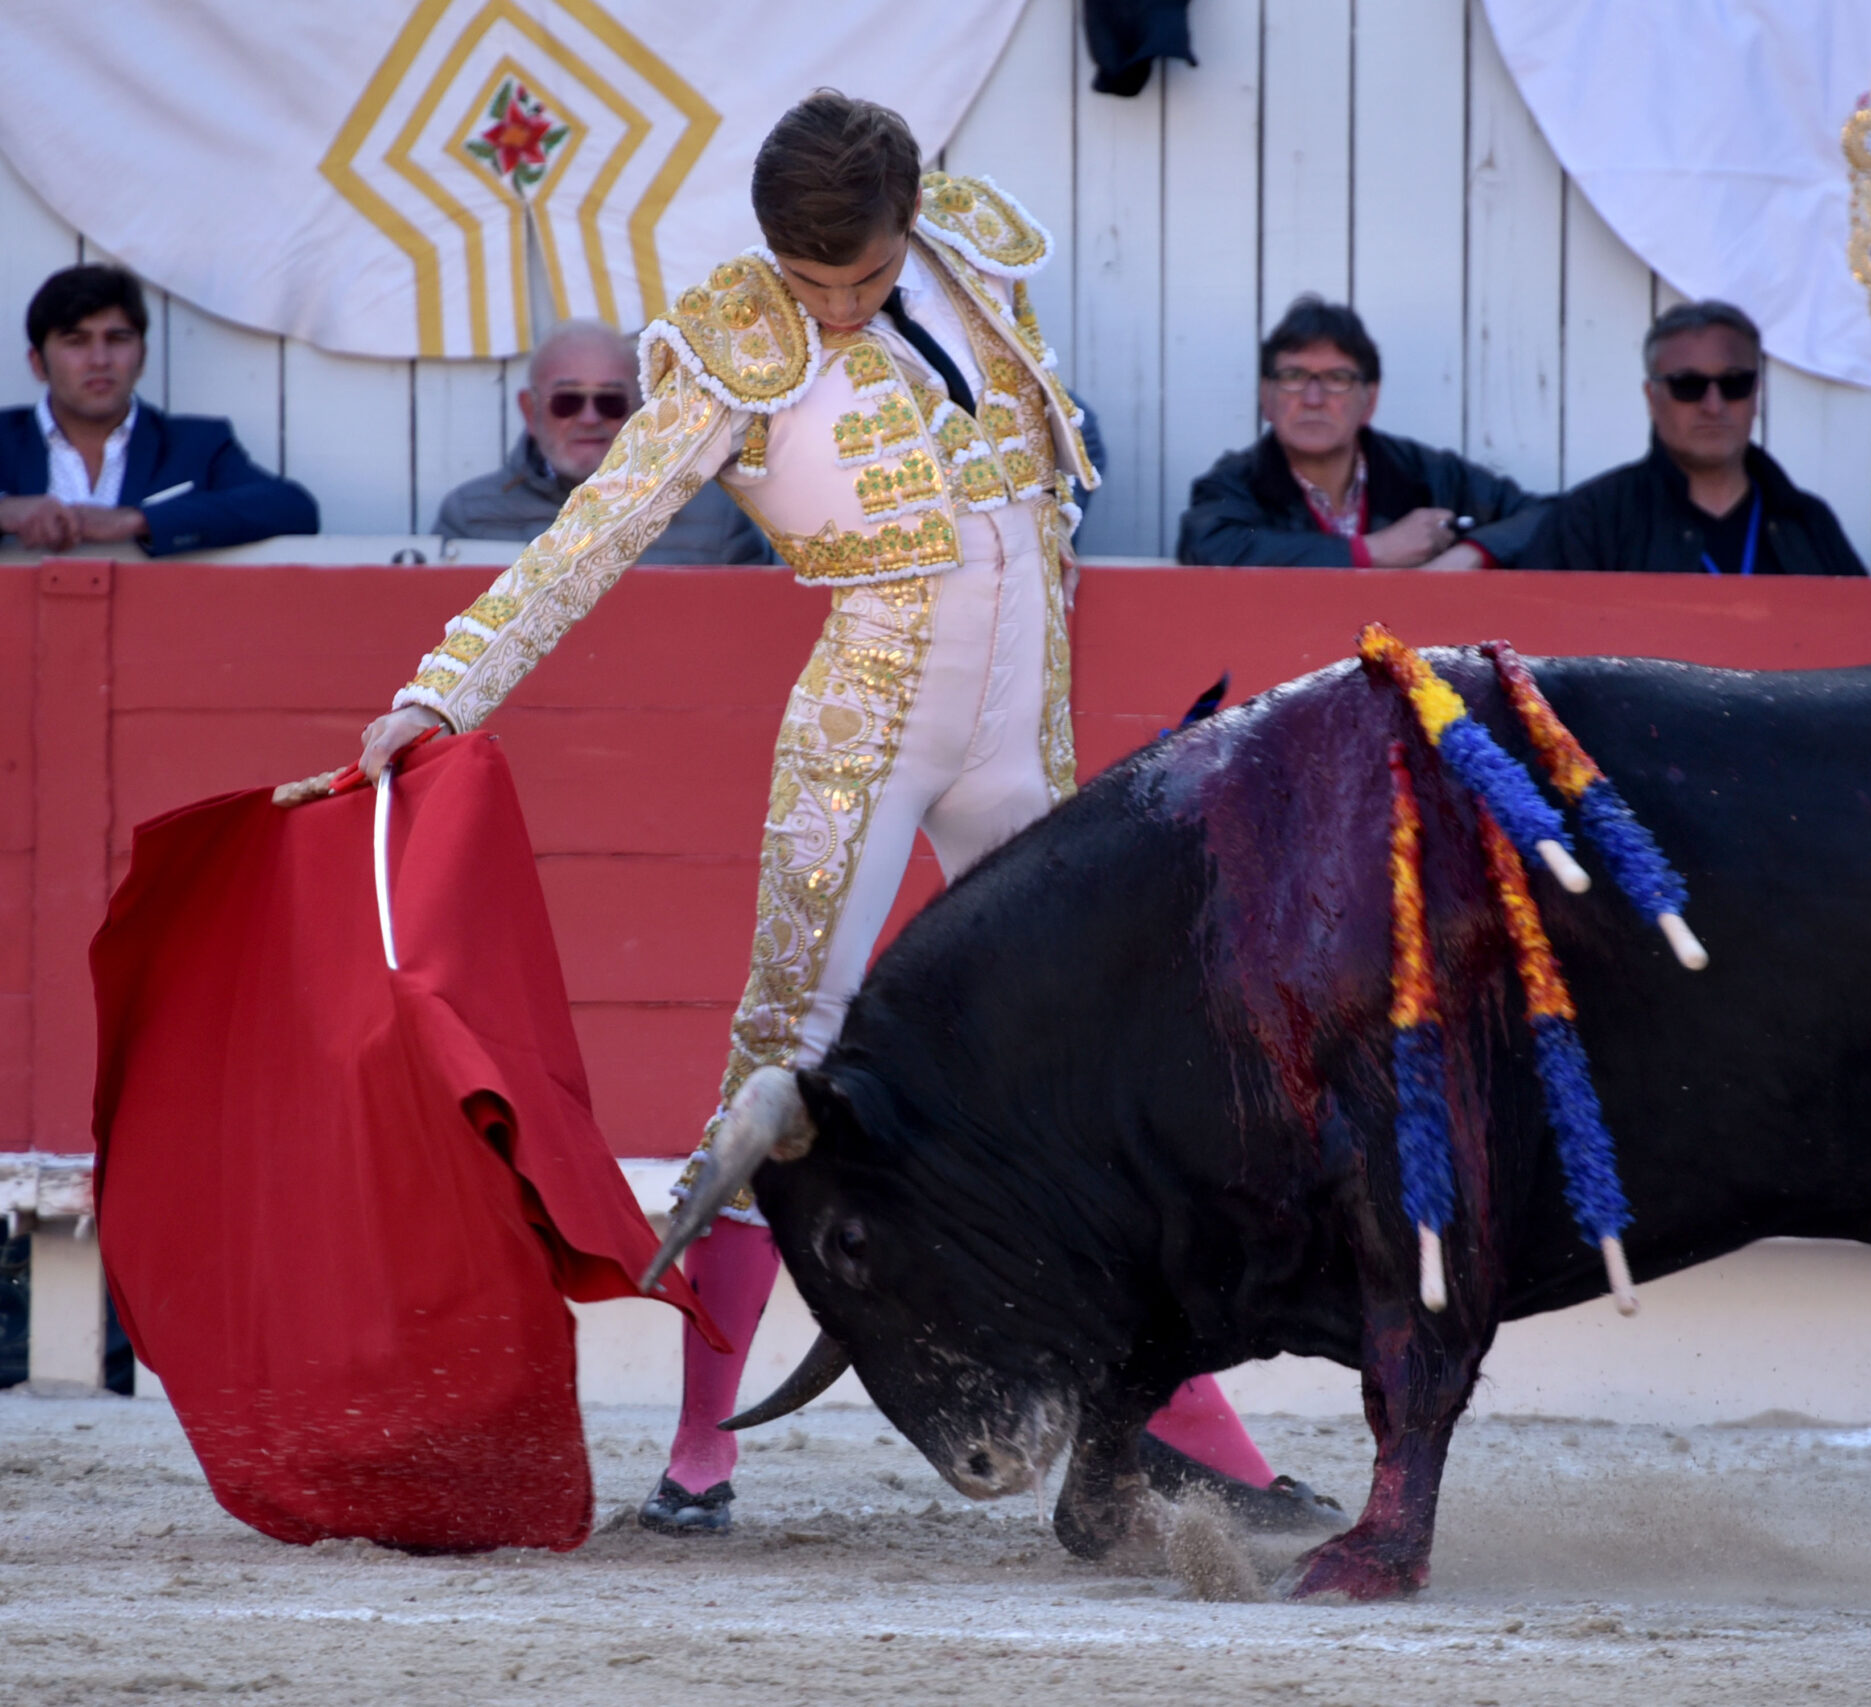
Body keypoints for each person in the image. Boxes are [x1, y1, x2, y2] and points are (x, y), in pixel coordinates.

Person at [353, 92, 1316, 1538]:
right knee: (781, 1067)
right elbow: (590, 538)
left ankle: (1179, 1429)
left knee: (1101, 1065)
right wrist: (443, 689)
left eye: (861, 276)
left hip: (1020, 718)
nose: (839, 305)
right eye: (812, 285)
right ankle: (697, 1452)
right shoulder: (734, 343)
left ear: (908, 219)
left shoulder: (971, 258)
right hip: (868, 727)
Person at [1176, 296, 1546, 568]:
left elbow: (1547, 517)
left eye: (1337, 378)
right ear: (1266, 397)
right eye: (1293, 377)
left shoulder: (1426, 475)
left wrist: (1472, 554)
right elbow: (1207, 546)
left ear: (1369, 399)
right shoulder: (1234, 482)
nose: (1313, 398)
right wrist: (1372, 551)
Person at [1523, 301, 1865, 576]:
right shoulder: (1591, 520)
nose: (1713, 406)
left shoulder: (1807, 522)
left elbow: (1864, 648)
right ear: (1651, 397)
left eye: (1734, 384)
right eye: (1688, 385)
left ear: (1756, 394)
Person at [0, 264, 316, 555]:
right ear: (38, 363)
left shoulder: (196, 445)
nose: (100, 360)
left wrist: (136, 520)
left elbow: (293, 508)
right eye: (76, 341)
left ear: (142, 357)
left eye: (117, 339)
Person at [434, 319, 769, 564]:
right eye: (567, 402)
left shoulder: (716, 519)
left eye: (610, 402)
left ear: (640, 412)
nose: (589, 419)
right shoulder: (471, 517)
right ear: (529, 411)